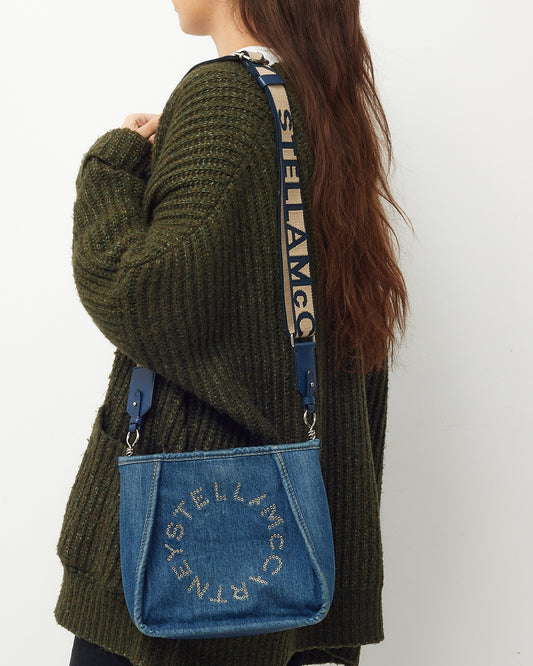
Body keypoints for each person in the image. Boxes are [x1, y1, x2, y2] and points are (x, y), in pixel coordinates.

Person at [55, 1, 409, 665]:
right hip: (298, 562)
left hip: (176, 576)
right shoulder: (320, 105)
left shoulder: (225, 96)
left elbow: (143, 294)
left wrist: (114, 164)